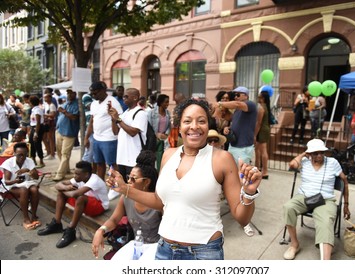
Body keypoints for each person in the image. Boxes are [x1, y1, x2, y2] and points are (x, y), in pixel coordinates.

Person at [105, 99, 262, 260]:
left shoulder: (221, 159)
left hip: (204, 252)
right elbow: (160, 201)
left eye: (201, 121)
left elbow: (242, 217)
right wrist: (125, 189)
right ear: (179, 127)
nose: (194, 126)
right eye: (187, 121)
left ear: (208, 126)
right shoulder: (168, 155)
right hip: (165, 250)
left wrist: (249, 193)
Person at [283, 138, 350, 260]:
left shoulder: (332, 162)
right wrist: (304, 154)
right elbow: (292, 164)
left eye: (322, 152)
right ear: (310, 153)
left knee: (325, 221)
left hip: (325, 200)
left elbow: (344, 181)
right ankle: (294, 244)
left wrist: (346, 205)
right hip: (304, 196)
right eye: (315, 153)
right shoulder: (304, 161)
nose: (320, 155)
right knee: (288, 207)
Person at [91, 150, 161, 259]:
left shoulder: (157, 201)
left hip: (157, 248)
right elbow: (114, 220)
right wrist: (101, 230)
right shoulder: (126, 198)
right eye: (128, 177)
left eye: (133, 179)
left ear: (146, 182)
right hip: (136, 245)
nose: (128, 181)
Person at [216, 86, 258, 237]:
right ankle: (236, 203)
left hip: (243, 149)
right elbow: (234, 123)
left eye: (237, 94)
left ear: (245, 95)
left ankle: (245, 221)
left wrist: (220, 103)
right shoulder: (238, 111)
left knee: (243, 181)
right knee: (230, 177)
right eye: (234, 94)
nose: (235, 97)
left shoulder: (250, 105)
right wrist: (228, 129)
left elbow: (238, 105)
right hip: (234, 147)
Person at [37, 161, 109, 248]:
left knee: (79, 198)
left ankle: (71, 230)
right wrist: (66, 188)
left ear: (86, 174)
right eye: (75, 173)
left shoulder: (94, 180)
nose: (75, 176)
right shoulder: (79, 178)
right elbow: (58, 185)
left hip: (99, 206)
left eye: (77, 174)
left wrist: (63, 190)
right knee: (61, 194)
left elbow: (74, 194)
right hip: (86, 203)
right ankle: (56, 223)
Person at [108, 87, 148, 191]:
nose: (123, 98)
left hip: (134, 157)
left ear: (135, 98)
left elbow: (133, 132)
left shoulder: (141, 113)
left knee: (134, 188)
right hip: (122, 157)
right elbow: (115, 132)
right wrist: (113, 119)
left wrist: (118, 119)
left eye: (126, 96)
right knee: (124, 186)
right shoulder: (125, 113)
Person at [84, 81, 123, 180]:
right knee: (99, 163)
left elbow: (119, 119)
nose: (93, 95)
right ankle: (100, 184)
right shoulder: (94, 104)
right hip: (96, 139)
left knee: (112, 164)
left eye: (96, 93)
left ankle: (116, 185)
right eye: (92, 93)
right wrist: (86, 137)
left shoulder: (113, 102)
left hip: (109, 139)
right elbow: (92, 121)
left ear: (103, 90)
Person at [0, 142, 40, 230]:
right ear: (14, 154)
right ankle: (26, 218)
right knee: (24, 190)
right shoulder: (9, 163)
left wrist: (28, 170)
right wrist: (16, 181)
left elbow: (36, 177)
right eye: (19, 155)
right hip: (11, 185)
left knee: (35, 189)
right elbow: (7, 182)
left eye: (25, 155)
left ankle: (34, 216)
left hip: (25, 183)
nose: (22, 157)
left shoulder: (29, 161)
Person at [52, 88, 79, 181]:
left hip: (69, 133)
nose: (69, 95)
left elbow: (74, 117)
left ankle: (60, 174)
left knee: (65, 154)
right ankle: (66, 169)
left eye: (71, 93)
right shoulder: (66, 102)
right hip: (60, 131)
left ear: (75, 93)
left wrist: (63, 111)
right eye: (68, 93)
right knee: (59, 152)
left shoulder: (77, 104)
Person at [147, 94, 171, 171]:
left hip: (164, 139)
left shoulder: (168, 113)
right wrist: (156, 134)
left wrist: (166, 134)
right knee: (153, 158)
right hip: (153, 139)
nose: (167, 104)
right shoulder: (151, 112)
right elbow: (149, 126)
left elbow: (169, 126)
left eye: (168, 102)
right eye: (166, 102)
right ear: (160, 102)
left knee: (162, 158)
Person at [254, 88, 272, 180]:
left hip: (262, 130)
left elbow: (259, 123)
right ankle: (258, 168)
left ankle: (264, 171)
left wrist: (254, 134)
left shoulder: (261, 108)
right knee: (257, 149)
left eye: (259, 97)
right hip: (265, 129)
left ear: (263, 98)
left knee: (263, 150)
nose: (258, 98)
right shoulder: (266, 106)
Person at [28, 95, 45, 168]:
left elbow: (38, 122)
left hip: (37, 128)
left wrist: (36, 133)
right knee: (31, 143)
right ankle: (33, 159)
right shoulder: (33, 110)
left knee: (37, 144)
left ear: (31, 103)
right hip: (33, 127)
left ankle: (41, 160)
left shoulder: (37, 110)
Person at [42, 93, 57, 160]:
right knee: (45, 138)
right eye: (44, 98)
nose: (45, 99)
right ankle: (49, 152)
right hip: (46, 123)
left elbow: (53, 115)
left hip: (50, 123)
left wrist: (45, 115)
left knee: (50, 138)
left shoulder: (52, 105)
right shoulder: (46, 105)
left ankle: (52, 153)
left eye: (46, 97)